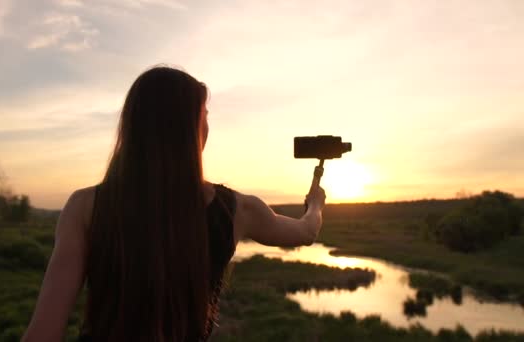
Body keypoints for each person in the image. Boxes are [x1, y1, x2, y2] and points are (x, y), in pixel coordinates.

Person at [22, 66, 325, 342]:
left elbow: (43, 333)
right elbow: (305, 232)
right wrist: (315, 204)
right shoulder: (235, 210)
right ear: (192, 130)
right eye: (204, 115)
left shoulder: (84, 206)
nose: (208, 125)